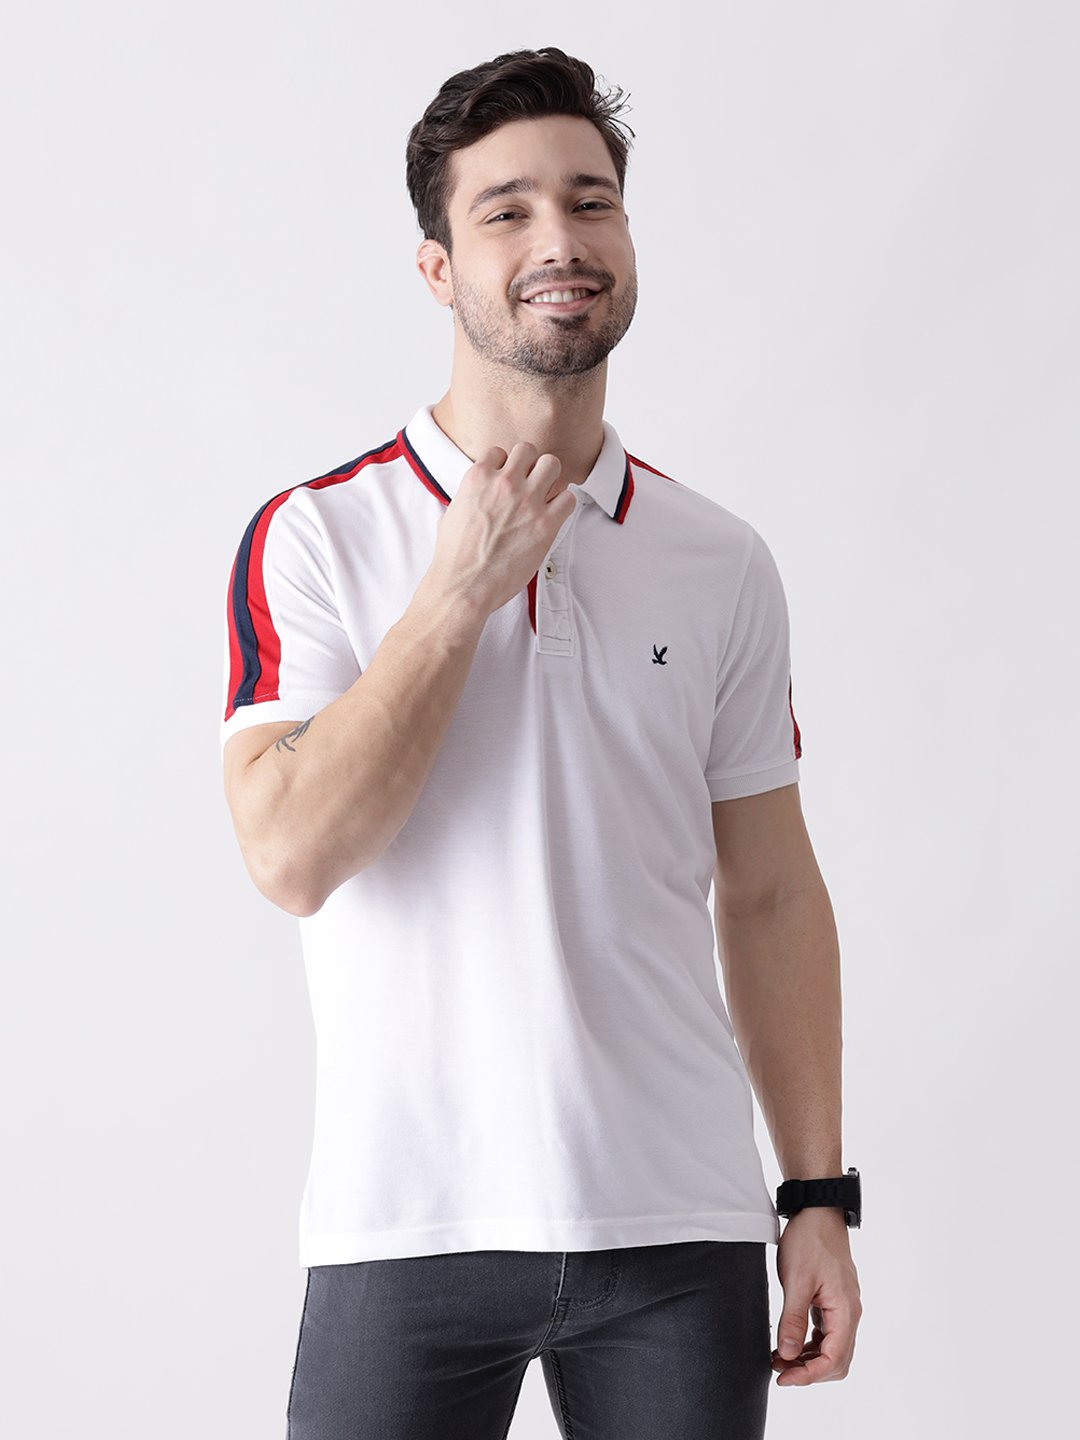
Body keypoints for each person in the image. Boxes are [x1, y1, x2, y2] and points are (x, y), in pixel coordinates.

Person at [220, 45, 862, 1440]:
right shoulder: (318, 536)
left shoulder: (719, 559)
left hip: (679, 1232)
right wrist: (458, 593)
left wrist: (816, 1194)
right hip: (408, 1227)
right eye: (505, 211)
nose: (559, 240)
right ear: (437, 267)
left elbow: (769, 891)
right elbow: (291, 855)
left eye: (590, 201)